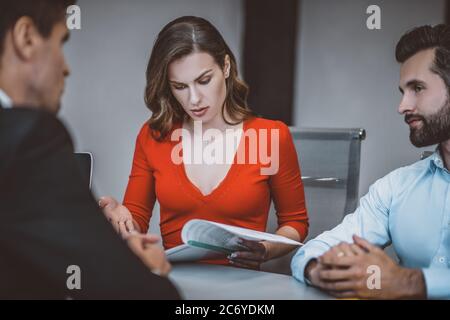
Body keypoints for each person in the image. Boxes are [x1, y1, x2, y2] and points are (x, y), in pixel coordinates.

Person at [0, 0, 178, 299]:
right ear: (26, 37)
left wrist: (104, 250)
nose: (66, 67)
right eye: (61, 43)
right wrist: (136, 266)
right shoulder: (26, 139)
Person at [100, 16, 309, 269]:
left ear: (227, 67)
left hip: (244, 291)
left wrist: (266, 250)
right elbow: (136, 223)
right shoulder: (154, 135)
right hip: (175, 284)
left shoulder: (271, 137)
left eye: (204, 80)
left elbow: (295, 222)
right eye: (180, 86)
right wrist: (118, 219)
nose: (194, 99)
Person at [291, 24, 450, 300]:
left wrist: (412, 282)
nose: (402, 106)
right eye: (402, 91)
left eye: (417, 88)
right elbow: (312, 252)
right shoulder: (395, 187)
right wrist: (322, 271)